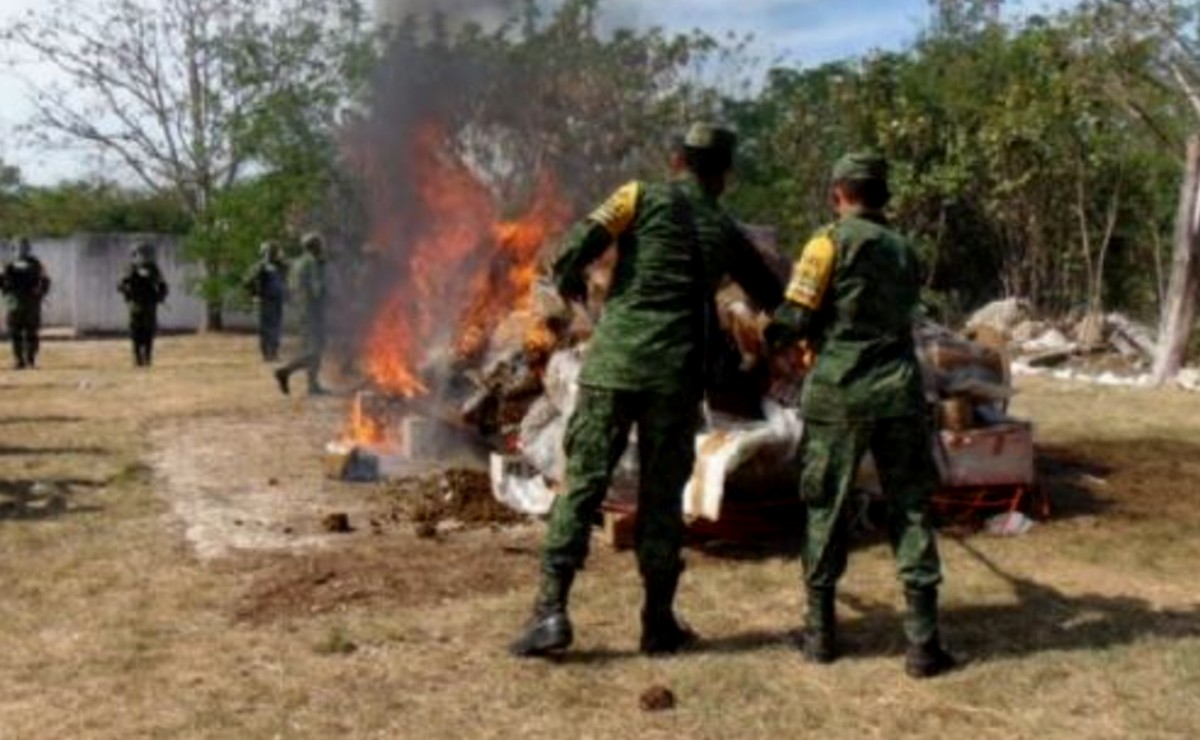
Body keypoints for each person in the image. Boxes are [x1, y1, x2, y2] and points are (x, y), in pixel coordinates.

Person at [509, 123, 784, 658]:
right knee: (661, 500)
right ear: (724, 174)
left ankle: (550, 612)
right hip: (676, 379)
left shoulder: (636, 196)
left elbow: (574, 249)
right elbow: (772, 296)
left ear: (676, 159)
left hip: (614, 369)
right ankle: (658, 624)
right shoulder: (727, 231)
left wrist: (570, 284)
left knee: (583, 485)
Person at [765, 152, 956, 679]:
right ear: (883, 196)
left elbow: (797, 314)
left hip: (841, 391)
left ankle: (820, 634)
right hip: (898, 390)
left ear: (838, 194)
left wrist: (769, 333)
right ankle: (923, 643)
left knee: (825, 506)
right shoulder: (905, 250)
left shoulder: (826, 242)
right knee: (910, 508)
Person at [274, 233, 328, 396]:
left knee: (310, 348)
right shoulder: (312, 263)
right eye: (320, 244)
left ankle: (313, 386)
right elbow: (317, 290)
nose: (322, 247)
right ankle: (285, 371)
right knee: (316, 350)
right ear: (314, 246)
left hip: (301, 310)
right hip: (312, 311)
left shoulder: (297, 263)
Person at [1, 237, 51, 370]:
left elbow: (45, 281)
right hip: (18, 304)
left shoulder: (34, 264)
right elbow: (2, 283)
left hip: (26, 304)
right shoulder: (10, 264)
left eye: (22, 246)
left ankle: (27, 360)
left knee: (28, 333)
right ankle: (22, 361)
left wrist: (40, 292)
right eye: (18, 247)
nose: (21, 249)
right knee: (17, 333)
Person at [117, 242, 169, 367]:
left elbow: (163, 286)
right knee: (136, 332)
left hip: (149, 305)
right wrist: (128, 293)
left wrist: (159, 297)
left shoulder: (153, 268)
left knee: (149, 332)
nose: (141, 256)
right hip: (136, 304)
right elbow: (120, 285)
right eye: (139, 253)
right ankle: (137, 357)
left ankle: (147, 356)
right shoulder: (130, 268)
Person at [244, 240, 288, 361]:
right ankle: (266, 354)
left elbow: (286, 278)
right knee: (266, 328)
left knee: (276, 327)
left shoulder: (280, 266)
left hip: (277, 300)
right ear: (266, 252)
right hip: (266, 300)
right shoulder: (261, 266)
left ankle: (274, 352)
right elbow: (248, 281)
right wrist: (255, 294)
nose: (276, 253)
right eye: (273, 251)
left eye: (276, 251)